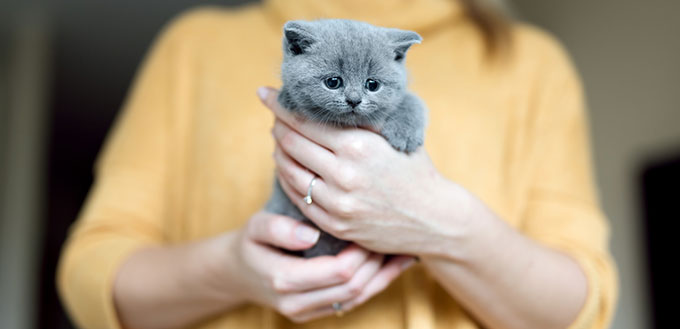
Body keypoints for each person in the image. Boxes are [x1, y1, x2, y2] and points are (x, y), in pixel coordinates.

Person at [56, 0, 618, 328]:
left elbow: (585, 304)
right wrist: (231, 268)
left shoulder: (529, 62)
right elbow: (92, 269)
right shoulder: (196, 44)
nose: (352, 100)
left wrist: (447, 225)